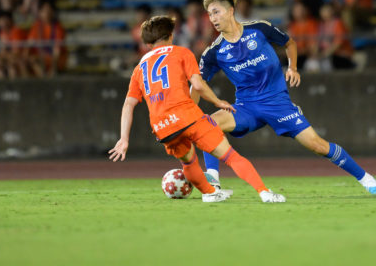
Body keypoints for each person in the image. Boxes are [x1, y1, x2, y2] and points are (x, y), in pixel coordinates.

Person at [197, 0, 376, 195]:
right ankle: (213, 182)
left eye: (216, 12)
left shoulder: (259, 28)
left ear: (231, 11)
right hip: (246, 107)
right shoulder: (214, 52)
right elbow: (197, 83)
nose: (212, 18)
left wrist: (292, 68)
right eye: (210, 14)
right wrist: (187, 110)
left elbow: (289, 43)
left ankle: (365, 178)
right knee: (207, 125)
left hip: (277, 103)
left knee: (318, 146)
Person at [109, 15, 285, 203]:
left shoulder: (139, 69)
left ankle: (210, 193)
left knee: (188, 162)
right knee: (230, 156)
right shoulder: (182, 53)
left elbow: (128, 104)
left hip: (163, 127)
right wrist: (218, 102)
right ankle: (264, 192)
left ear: (147, 42)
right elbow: (198, 85)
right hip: (187, 116)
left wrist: (124, 138)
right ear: (171, 35)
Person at [26, 1, 67, 78]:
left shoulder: (58, 28)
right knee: (26, 61)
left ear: (53, 12)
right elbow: (29, 44)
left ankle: (45, 79)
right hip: (40, 57)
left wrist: (53, 68)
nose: (47, 13)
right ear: (40, 13)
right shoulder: (36, 26)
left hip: (55, 59)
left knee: (34, 60)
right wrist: (24, 58)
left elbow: (57, 51)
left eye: (49, 10)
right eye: (44, 11)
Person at [317, 3, 355, 70]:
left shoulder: (338, 23)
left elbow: (338, 43)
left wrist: (325, 54)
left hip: (339, 54)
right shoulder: (320, 25)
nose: (325, 13)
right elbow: (316, 42)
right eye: (323, 10)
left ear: (332, 11)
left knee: (327, 64)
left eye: (327, 10)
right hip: (325, 53)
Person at [0, 11, 27, 79]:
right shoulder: (2, 33)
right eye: (0, 20)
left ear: (10, 20)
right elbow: (2, 51)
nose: (2, 22)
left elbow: (16, 53)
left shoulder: (16, 31)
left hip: (22, 58)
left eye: (4, 19)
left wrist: (0, 56)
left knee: (11, 66)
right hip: (11, 58)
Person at [287, 1, 319, 70]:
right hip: (295, 55)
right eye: (296, 10)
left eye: (301, 10)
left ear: (306, 11)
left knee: (313, 65)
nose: (299, 12)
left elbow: (313, 45)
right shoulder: (291, 25)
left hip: (308, 55)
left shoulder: (312, 23)